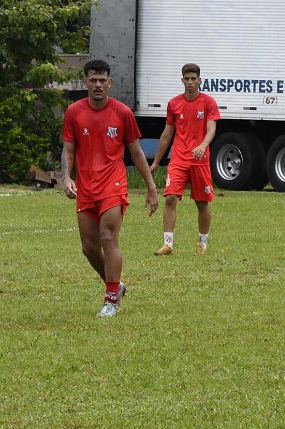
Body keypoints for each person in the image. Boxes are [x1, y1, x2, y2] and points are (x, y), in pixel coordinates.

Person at [61, 59, 159, 318]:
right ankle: (116, 285)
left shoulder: (122, 112)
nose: (97, 85)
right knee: (88, 246)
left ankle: (111, 299)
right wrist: (66, 177)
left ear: (109, 83)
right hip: (86, 186)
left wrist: (151, 187)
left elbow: (137, 154)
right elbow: (68, 151)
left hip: (113, 185)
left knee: (107, 237)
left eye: (102, 80)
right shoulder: (74, 112)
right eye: (92, 80)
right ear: (85, 82)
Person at [149, 63, 221, 256]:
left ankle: (202, 243)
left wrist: (202, 145)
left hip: (200, 161)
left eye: (193, 79)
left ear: (199, 80)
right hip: (179, 160)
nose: (190, 82)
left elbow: (211, 129)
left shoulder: (208, 102)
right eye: (186, 79)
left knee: (202, 203)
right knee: (170, 198)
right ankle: (168, 244)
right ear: (182, 80)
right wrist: (156, 162)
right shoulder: (174, 104)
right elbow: (167, 134)